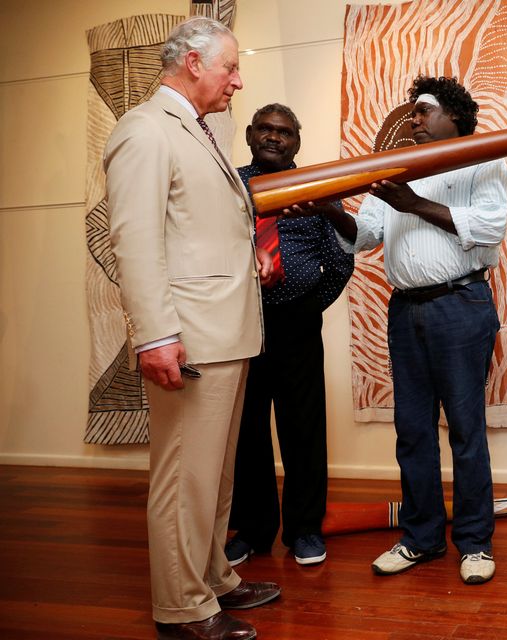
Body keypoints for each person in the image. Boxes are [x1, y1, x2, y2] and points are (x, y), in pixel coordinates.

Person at [288, 75, 507, 585]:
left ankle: (475, 544)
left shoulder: (486, 157)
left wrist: (410, 203)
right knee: (411, 431)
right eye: (413, 112)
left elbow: (490, 227)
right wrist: (330, 210)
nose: (413, 119)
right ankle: (421, 538)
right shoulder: (389, 169)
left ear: (454, 116)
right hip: (405, 310)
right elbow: (365, 235)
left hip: (462, 303)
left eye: (424, 110)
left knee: (467, 432)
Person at [104, 16, 280, 640]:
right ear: (193, 63)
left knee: (216, 471)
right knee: (184, 475)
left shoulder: (200, 131)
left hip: (226, 329)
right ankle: (181, 607)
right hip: (191, 334)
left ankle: (214, 578)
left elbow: (197, 228)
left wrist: (248, 255)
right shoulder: (146, 129)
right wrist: (154, 336)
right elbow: (136, 238)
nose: (238, 80)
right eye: (230, 67)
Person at [225, 104, 353, 567]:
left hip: (297, 322)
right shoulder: (228, 183)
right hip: (237, 324)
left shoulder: (318, 185)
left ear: (297, 141)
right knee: (247, 430)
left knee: (303, 427)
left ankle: (304, 530)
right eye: (265, 129)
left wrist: (307, 306)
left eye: (284, 132)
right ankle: (253, 529)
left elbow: (341, 259)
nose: (274, 138)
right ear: (250, 134)